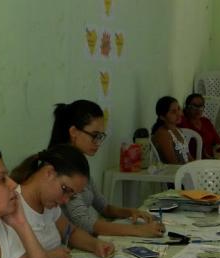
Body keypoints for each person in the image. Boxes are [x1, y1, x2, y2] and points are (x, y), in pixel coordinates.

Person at [49, 100, 164, 238]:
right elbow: (83, 222)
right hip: (67, 244)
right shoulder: (62, 166)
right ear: (74, 132)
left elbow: (104, 208)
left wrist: (131, 212)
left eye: (101, 137)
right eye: (94, 136)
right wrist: (139, 231)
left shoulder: (78, 162)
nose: (98, 143)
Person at [11, 144, 115, 258]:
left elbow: (71, 233)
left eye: (72, 196)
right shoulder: (11, 203)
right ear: (49, 173)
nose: (65, 201)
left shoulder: (49, 205)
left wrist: (95, 244)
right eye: (65, 190)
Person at [180, 92, 220, 160]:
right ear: (187, 107)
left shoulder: (206, 122)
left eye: (201, 106)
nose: (198, 109)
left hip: (210, 160)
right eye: (194, 106)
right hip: (193, 162)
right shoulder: (183, 122)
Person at [150, 96, 192, 164]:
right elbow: (173, 163)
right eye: (173, 112)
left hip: (184, 169)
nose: (179, 114)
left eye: (178, 109)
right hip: (172, 172)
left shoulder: (178, 130)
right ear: (162, 117)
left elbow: (189, 157)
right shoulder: (163, 134)